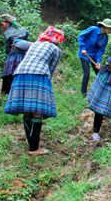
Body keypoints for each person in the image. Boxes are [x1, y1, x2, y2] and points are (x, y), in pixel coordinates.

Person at [4, 27, 65, 156]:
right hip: (38, 75)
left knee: (27, 108)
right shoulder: (55, 49)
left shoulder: (35, 44)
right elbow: (51, 69)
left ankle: (30, 141)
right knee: (37, 110)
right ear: (58, 39)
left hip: (20, 73)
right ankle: (35, 149)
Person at [78, 19, 111, 97]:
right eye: (110, 28)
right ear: (104, 26)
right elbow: (81, 36)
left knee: (99, 73)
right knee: (87, 74)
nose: (110, 30)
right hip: (85, 54)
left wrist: (98, 62)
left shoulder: (105, 38)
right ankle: (83, 94)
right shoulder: (93, 29)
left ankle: (101, 92)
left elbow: (100, 51)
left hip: (94, 56)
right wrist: (82, 48)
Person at [0, 14, 30, 95]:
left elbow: (7, 48)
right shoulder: (24, 29)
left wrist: (8, 53)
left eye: (2, 25)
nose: (2, 27)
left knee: (9, 74)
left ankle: (7, 93)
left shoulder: (7, 33)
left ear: (8, 23)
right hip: (25, 55)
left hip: (14, 55)